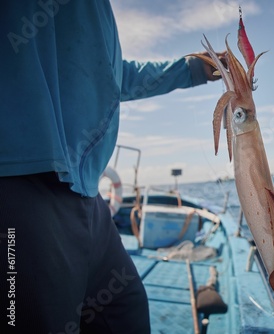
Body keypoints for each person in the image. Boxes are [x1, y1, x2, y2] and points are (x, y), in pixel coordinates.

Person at [0, 1, 224, 333]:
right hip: (21, 184)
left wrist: (191, 69)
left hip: (87, 194)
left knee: (124, 313)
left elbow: (110, 72)